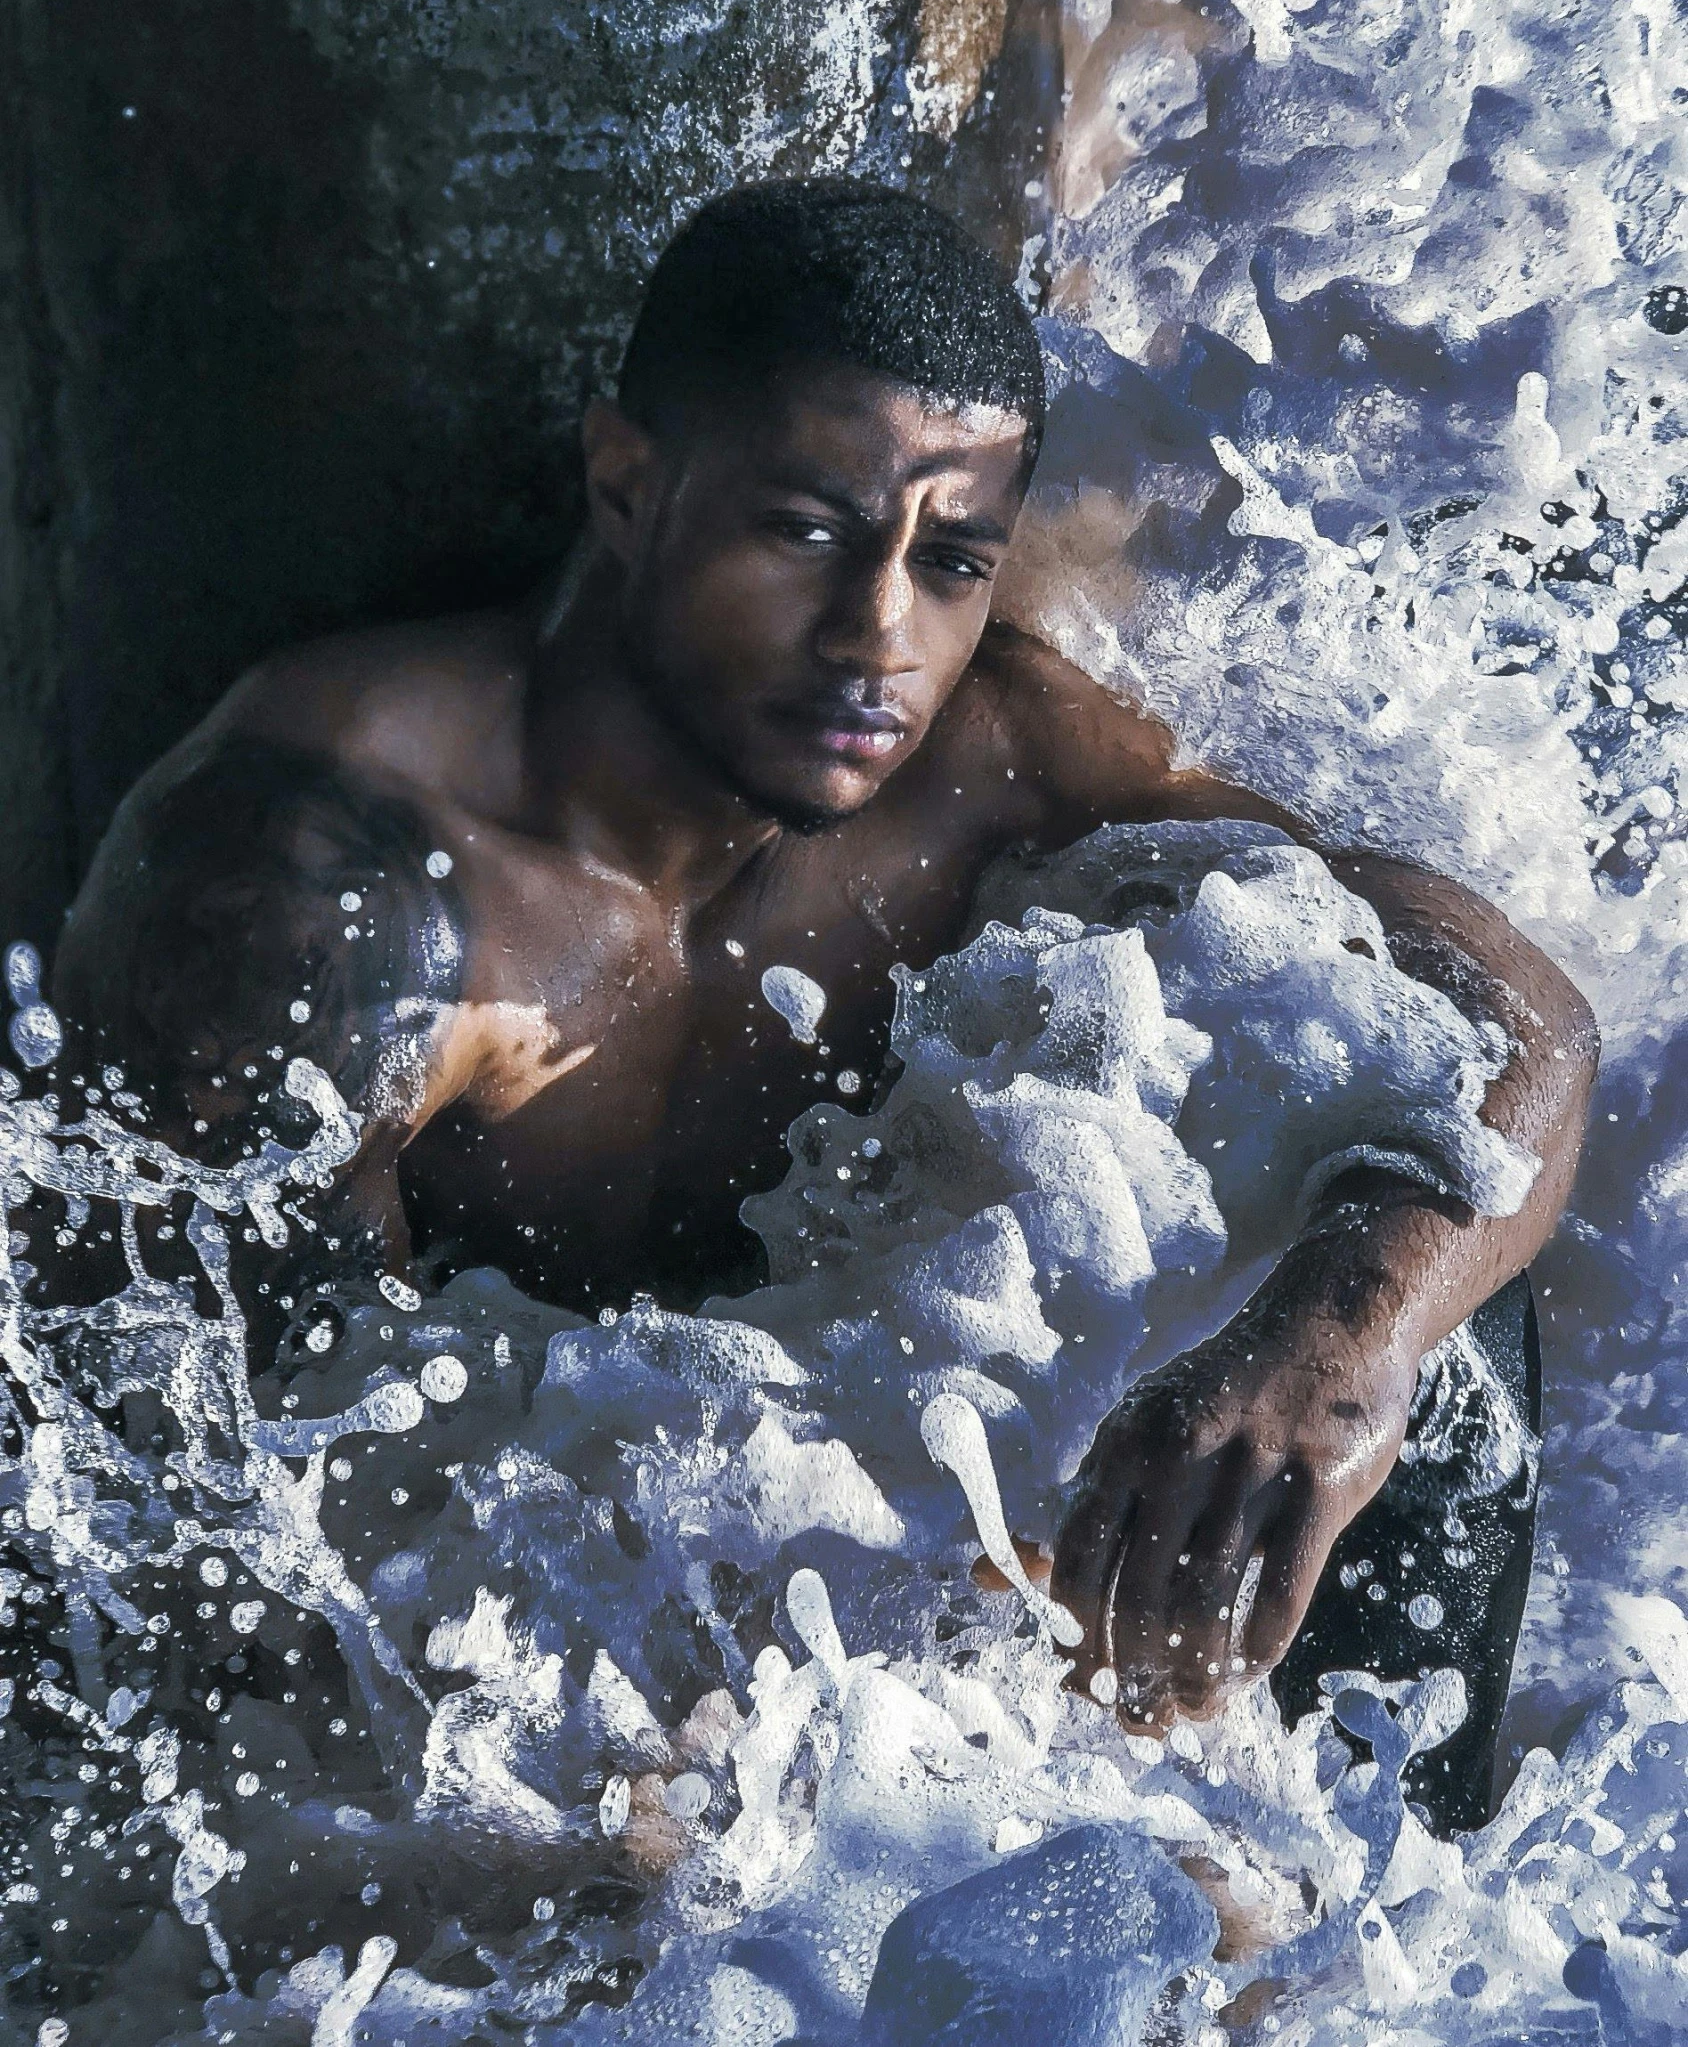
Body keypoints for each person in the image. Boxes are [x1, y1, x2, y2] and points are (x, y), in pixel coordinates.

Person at [50, 179, 1597, 1794]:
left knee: (1433, 1322)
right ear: (628, 484)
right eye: (808, 531)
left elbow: (1516, 1014)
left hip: (843, 1584)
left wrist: (1344, 1345)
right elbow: (223, 1577)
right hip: (498, 1693)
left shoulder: (990, 754)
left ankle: (1389, 1934)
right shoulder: (337, 895)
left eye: (951, 561)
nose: (880, 635)